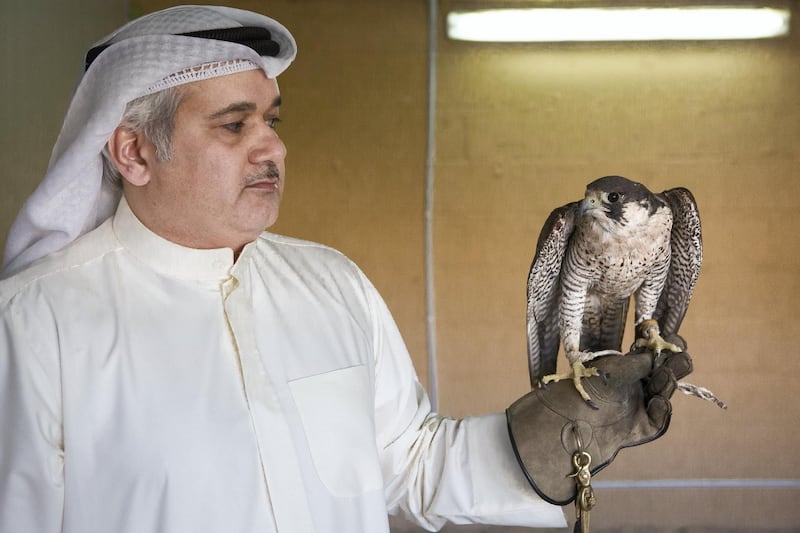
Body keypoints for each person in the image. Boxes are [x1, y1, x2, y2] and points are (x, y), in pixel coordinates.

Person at [0, 6, 690, 533]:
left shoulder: (332, 284)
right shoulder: (34, 325)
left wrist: (553, 440)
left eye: (272, 119)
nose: (273, 146)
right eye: (234, 126)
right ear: (133, 154)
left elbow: (408, 465)